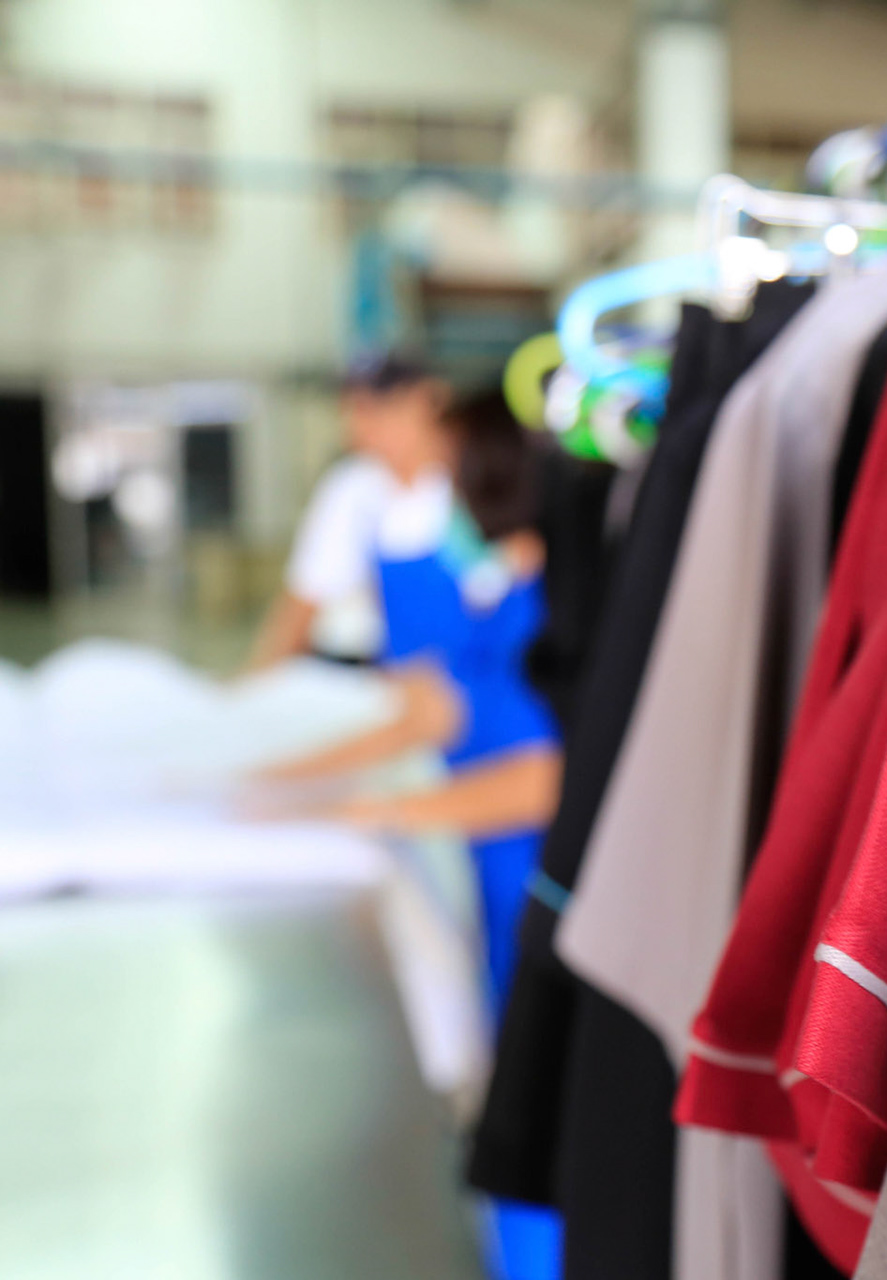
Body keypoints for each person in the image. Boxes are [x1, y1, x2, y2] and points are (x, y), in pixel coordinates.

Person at [257, 387, 565, 1280]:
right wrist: (273, 784)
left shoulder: (549, 600)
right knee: (514, 1087)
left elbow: (553, 779)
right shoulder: (492, 591)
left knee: (544, 1104)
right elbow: (431, 709)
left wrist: (380, 811)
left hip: (540, 875)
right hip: (495, 875)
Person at [249, 353, 455, 670]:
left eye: (374, 409)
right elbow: (304, 599)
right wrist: (253, 686)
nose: (359, 426)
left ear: (428, 400)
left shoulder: (472, 483)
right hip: (363, 669)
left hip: (457, 670)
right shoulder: (351, 487)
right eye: (351, 409)